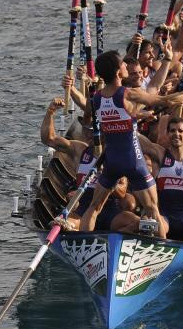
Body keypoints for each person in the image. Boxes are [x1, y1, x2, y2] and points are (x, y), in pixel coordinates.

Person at [76, 49, 183, 235]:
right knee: (153, 209)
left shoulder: (96, 99)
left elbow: (93, 120)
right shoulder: (129, 94)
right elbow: (166, 100)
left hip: (111, 161)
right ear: (118, 72)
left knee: (94, 207)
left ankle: (84, 241)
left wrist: (134, 115)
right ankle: (162, 248)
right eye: (123, 64)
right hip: (133, 161)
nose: (125, 66)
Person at [40, 97, 138, 232]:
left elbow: (121, 192)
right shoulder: (80, 150)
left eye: (94, 132)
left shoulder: (118, 154)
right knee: (59, 225)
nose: (89, 135)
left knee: (138, 223)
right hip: (83, 211)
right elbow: (49, 139)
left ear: (105, 132)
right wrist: (50, 112)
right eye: (88, 131)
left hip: (109, 211)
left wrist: (107, 178)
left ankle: (111, 239)